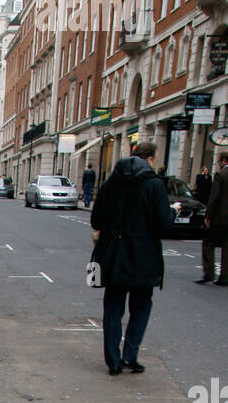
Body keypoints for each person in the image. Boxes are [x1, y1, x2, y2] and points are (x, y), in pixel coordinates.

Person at [90, 140, 181, 376]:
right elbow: (164, 226)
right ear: (150, 159)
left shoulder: (112, 184)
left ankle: (113, 361)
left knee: (113, 307)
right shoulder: (154, 185)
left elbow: (96, 220)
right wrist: (173, 211)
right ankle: (130, 355)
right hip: (143, 256)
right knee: (140, 307)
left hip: (113, 255)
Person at [197, 152, 228, 285]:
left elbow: (214, 197)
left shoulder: (221, 175)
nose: (218, 164)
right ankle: (225, 277)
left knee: (208, 243)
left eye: (219, 161)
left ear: (224, 161)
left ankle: (209, 273)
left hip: (219, 217)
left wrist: (208, 215)